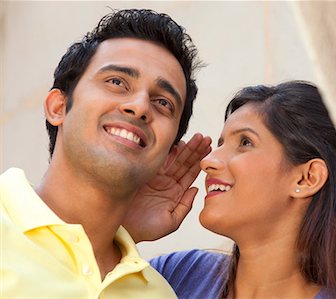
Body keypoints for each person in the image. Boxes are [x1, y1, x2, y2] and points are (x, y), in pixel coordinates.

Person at [0, 8, 212, 297]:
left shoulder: (160, 293)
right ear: (58, 107)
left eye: (163, 102)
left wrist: (124, 233)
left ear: (169, 154)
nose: (139, 106)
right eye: (117, 82)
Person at [147, 81, 336, 298]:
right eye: (220, 143)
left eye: (245, 142)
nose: (208, 161)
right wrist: (131, 229)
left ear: (306, 178)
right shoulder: (177, 276)